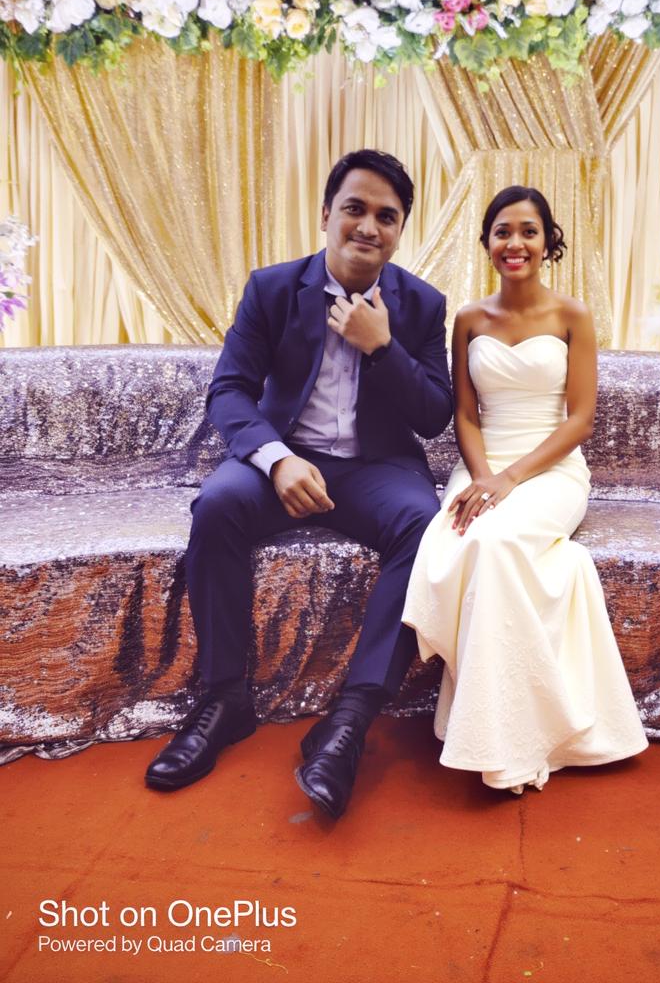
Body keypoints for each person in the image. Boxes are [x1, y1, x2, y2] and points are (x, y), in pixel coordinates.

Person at [145, 149, 453, 819]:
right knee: (219, 504)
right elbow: (229, 391)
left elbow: (433, 415)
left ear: (400, 230)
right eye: (355, 208)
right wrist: (276, 458)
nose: (369, 226)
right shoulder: (272, 289)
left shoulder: (423, 306)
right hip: (289, 456)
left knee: (426, 527)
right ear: (325, 214)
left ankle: (348, 720)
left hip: (377, 471)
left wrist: (382, 345)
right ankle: (226, 700)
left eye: (387, 216)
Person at [402, 186, 648, 794]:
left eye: (528, 231)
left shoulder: (573, 316)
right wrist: (483, 476)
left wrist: (511, 480)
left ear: (547, 241)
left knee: (496, 545)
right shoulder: (467, 318)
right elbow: (465, 414)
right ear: (486, 244)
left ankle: (506, 739)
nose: (515, 242)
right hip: (483, 465)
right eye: (503, 231)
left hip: (551, 469)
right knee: (457, 541)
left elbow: (580, 420)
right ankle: (504, 725)